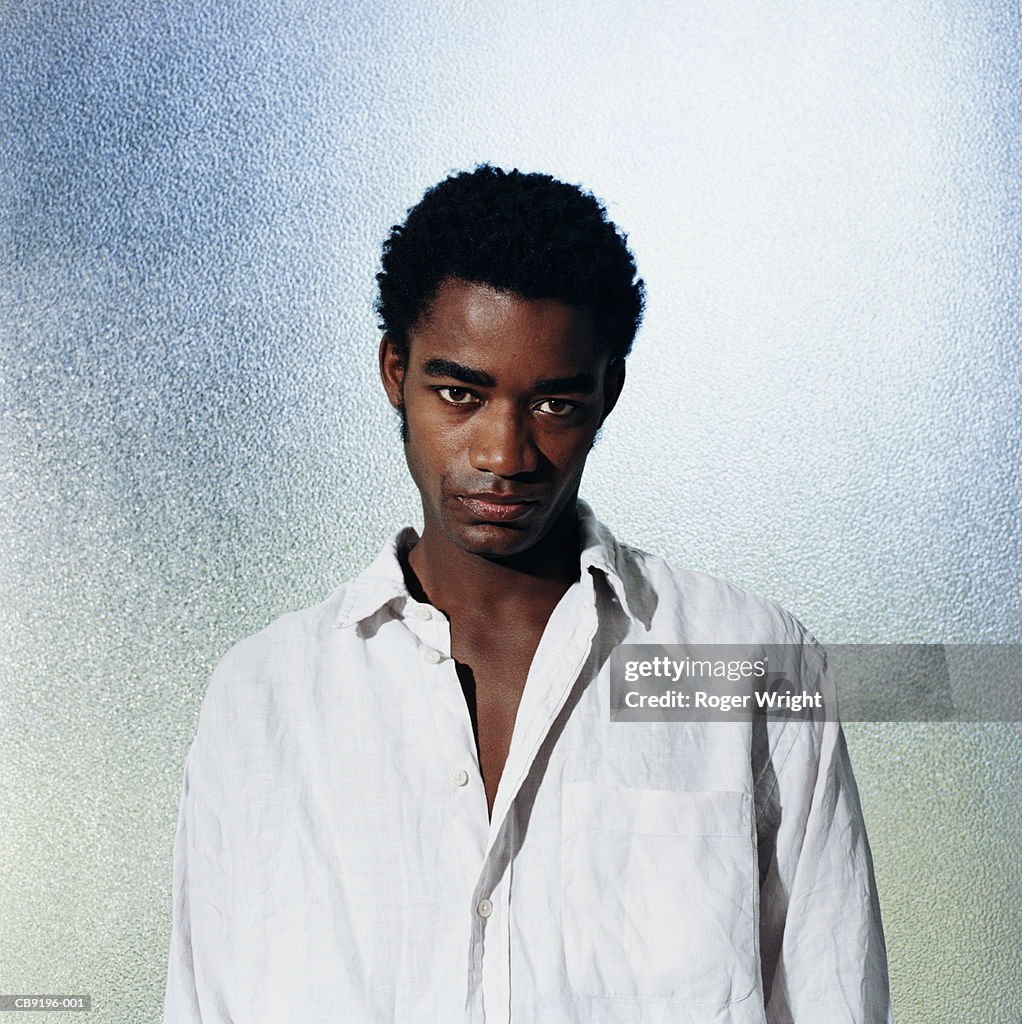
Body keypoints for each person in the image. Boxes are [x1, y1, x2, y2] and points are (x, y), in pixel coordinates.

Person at [164, 165, 893, 1023]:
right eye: (460, 394)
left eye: (553, 402)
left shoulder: (750, 662)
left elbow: (834, 995)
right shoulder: (264, 697)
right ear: (395, 372)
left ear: (607, 392)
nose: (504, 454)